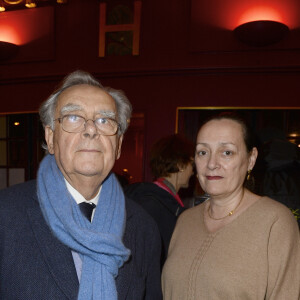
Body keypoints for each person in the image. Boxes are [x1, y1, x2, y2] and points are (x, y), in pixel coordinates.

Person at [0, 70, 162, 300]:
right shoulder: (5, 216)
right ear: (50, 137)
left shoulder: (144, 227)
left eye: (104, 120)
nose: (91, 130)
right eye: (73, 117)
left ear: (117, 145)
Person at [162, 112, 300, 300]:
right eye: (203, 152)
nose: (211, 164)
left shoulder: (274, 222)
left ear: (251, 159)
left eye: (226, 152)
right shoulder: (186, 220)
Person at [125, 134, 194, 267]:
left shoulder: (154, 198)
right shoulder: (157, 204)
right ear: (181, 165)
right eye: (191, 163)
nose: (193, 172)